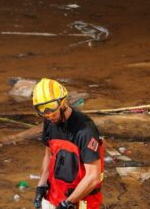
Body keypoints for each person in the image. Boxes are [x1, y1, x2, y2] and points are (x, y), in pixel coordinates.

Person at [32, 78, 104, 209]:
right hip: (57, 195)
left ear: (63, 102)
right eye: (42, 109)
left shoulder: (85, 130)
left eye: (52, 107)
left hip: (81, 201)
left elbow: (93, 177)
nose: (49, 114)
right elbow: (49, 155)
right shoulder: (49, 122)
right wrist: (41, 186)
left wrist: (68, 203)